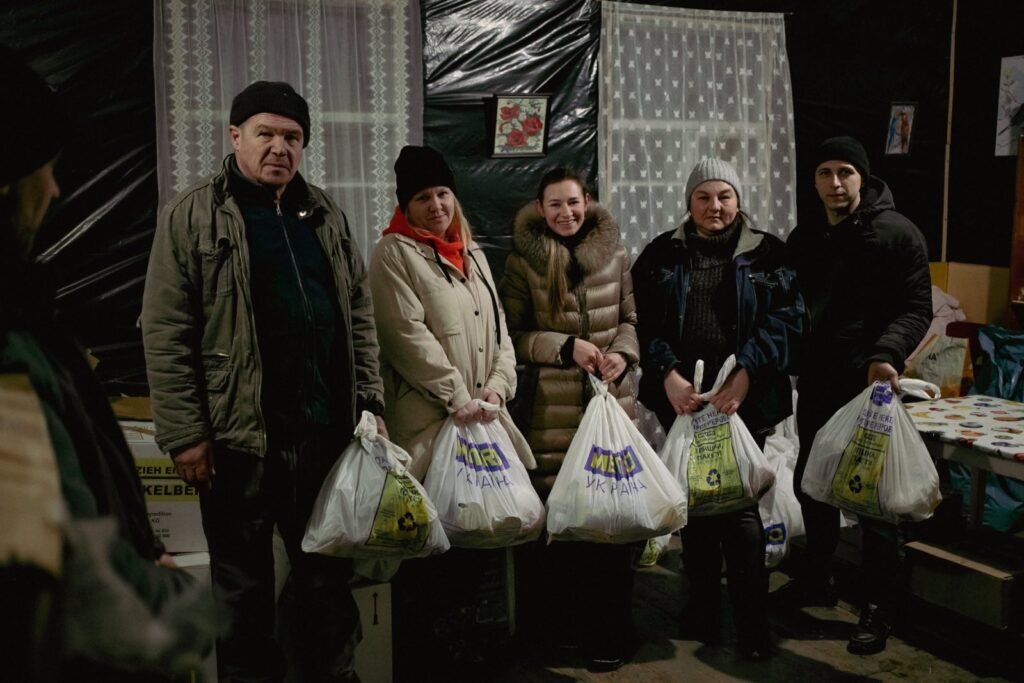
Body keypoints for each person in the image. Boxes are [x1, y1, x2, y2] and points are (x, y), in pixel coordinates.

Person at [142, 80, 386, 682]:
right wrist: (185, 434)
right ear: (235, 136)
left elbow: (357, 312)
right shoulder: (192, 213)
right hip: (238, 442)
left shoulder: (324, 211)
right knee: (242, 589)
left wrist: (370, 401)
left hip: (325, 438)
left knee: (326, 580)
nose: (280, 147)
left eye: (292, 136)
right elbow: (164, 330)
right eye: (266, 133)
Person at [0, 44, 205, 681]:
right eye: (47, 167)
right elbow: (48, 567)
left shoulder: (25, 321)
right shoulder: (10, 348)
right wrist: (170, 600)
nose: (56, 189)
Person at [368, 144, 535, 681]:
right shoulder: (394, 254)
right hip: (431, 427)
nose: (436, 205)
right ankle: (426, 661)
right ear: (405, 205)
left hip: (480, 423)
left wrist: (499, 388)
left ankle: (463, 648)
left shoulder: (473, 252)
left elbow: (503, 333)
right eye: (422, 197)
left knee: (476, 544)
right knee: (431, 550)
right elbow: (405, 338)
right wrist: (457, 395)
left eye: (442, 193)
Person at [632, 158, 804, 661]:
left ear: (738, 200)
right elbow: (643, 322)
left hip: (742, 400)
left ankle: (751, 620)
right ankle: (703, 608)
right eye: (704, 196)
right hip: (685, 398)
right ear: (689, 201)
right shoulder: (661, 254)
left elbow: (788, 322)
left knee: (741, 508)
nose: (715, 206)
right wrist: (667, 373)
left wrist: (746, 373)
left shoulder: (768, 253)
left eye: (724, 196)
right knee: (697, 506)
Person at [786, 135, 931, 655]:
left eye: (845, 172)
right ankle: (816, 579)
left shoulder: (897, 234)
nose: (835, 183)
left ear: (863, 178)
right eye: (825, 173)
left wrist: (886, 354)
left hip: (871, 387)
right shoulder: (807, 236)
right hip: (820, 382)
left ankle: (879, 605)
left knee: (873, 499)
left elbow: (917, 306)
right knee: (814, 485)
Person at [500, 167, 640, 671]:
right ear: (540, 209)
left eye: (574, 203)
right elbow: (509, 336)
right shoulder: (523, 264)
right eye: (555, 205)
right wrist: (563, 347)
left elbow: (630, 319)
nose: (566, 213)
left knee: (609, 530)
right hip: (550, 416)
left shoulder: (617, 256)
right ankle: (554, 635)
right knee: (556, 531)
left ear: (589, 202)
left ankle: (609, 634)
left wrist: (623, 353)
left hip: (610, 410)